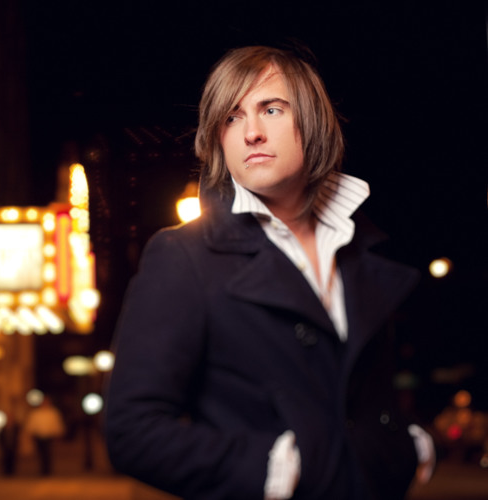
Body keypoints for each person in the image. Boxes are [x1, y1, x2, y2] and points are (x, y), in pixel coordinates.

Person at [105, 45, 434, 500]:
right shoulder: (183, 255)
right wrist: (275, 469)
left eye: (271, 109)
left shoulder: (359, 247)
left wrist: (406, 444)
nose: (251, 133)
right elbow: (131, 431)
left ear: (312, 121)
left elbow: (359, 397)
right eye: (232, 117)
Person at [24, 395, 66, 475]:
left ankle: (48, 470)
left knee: (48, 453)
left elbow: (57, 424)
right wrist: (30, 433)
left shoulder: (53, 412)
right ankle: (42, 469)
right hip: (38, 436)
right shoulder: (36, 413)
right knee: (41, 453)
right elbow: (31, 424)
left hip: (49, 436)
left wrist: (58, 433)